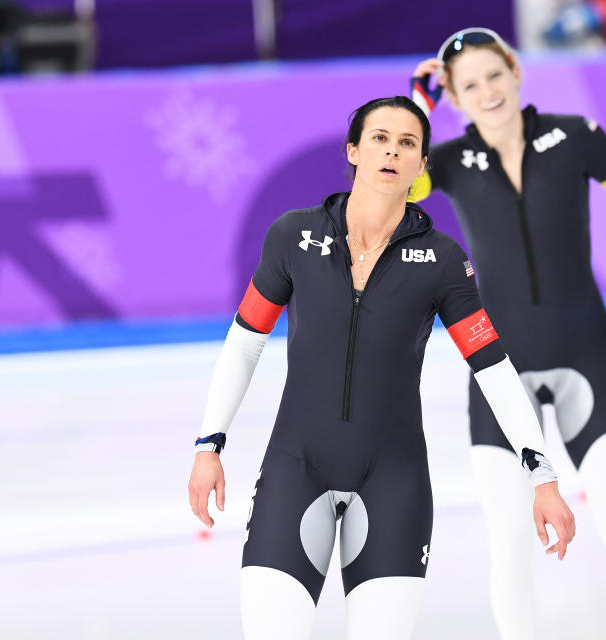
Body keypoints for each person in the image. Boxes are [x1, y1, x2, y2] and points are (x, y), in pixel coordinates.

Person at [187, 96, 575, 640]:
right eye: (380, 139)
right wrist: (209, 445)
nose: (392, 151)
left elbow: (492, 367)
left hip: (394, 481)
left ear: (421, 167)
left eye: (408, 143)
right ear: (353, 150)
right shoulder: (292, 237)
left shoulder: (442, 261)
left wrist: (543, 477)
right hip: (295, 468)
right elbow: (245, 342)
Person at [409, 28, 606, 640]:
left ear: (516, 70)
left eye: (494, 75)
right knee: (510, 540)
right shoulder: (443, 163)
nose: (487, 91)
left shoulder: (576, 136)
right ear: (455, 97)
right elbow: (389, 181)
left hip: (587, 356)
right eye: (468, 85)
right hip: (498, 371)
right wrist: (420, 104)